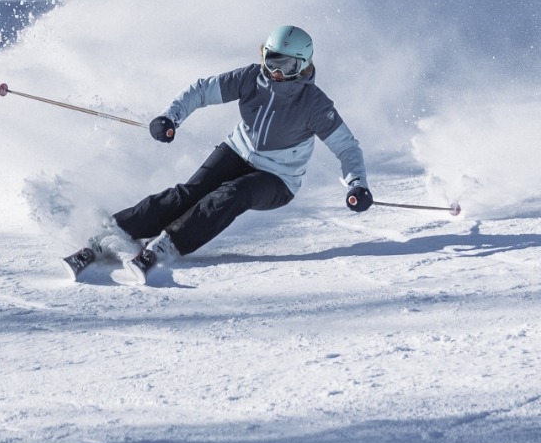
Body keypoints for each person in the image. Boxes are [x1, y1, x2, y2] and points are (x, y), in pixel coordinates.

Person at [62, 25, 372, 284]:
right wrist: (171, 117)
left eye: (285, 66)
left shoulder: (315, 105)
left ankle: (170, 244)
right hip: (238, 150)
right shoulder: (252, 78)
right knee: (185, 194)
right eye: (271, 59)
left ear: (302, 66)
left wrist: (357, 184)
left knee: (232, 194)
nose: (275, 71)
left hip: (279, 177)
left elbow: (346, 146)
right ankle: (110, 233)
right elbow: (202, 90)